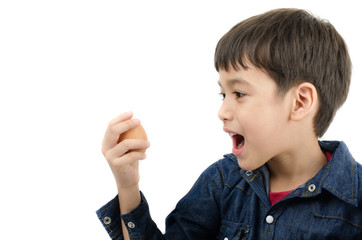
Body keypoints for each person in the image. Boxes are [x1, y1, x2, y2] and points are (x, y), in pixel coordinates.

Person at [96, 8, 362, 239]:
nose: (222, 111)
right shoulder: (222, 182)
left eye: (239, 94)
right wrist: (127, 186)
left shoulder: (356, 200)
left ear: (300, 102)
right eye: (223, 94)